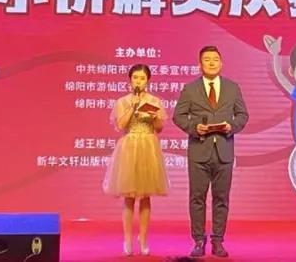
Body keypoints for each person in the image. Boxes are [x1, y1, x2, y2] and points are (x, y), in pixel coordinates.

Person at [173, 46, 249, 258]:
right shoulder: (190, 89)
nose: (212, 62)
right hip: (199, 151)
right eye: (207, 59)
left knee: (221, 198)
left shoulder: (232, 88)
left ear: (221, 63)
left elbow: (243, 115)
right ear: (200, 64)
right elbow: (178, 116)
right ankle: (198, 241)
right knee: (197, 198)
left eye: (215, 59)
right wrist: (194, 128)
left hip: (224, 151)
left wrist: (231, 126)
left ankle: (218, 241)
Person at [103, 63, 170, 256]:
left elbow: (159, 128)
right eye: (135, 78)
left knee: (146, 196)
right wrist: (132, 107)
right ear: (130, 80)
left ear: (148, 80)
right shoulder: (122, 101)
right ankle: (127, 240)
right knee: (129, 197)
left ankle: (143, 239)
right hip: (129, 146)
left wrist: (155, 117)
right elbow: (121, 125)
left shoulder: (155, 101)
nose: (138, 81)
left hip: (148, 146)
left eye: (142, 78)